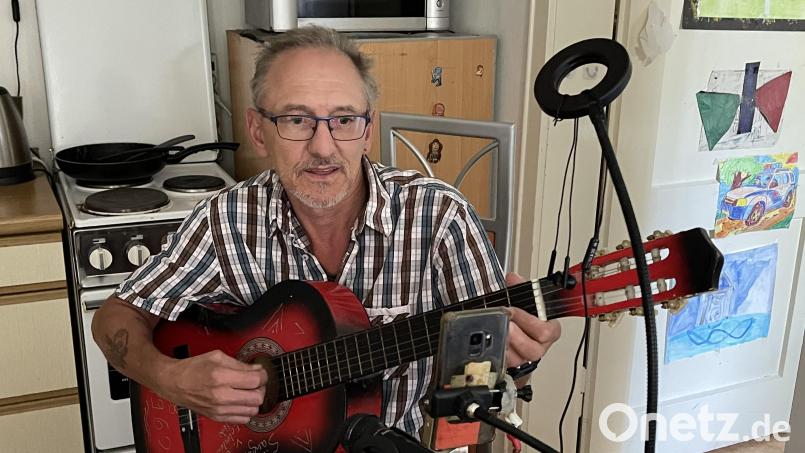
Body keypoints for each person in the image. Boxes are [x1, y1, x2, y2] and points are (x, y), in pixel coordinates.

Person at [92, 25, 560, 438]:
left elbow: (481, 388)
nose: (323, 147)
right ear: (258, 131)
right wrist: (171, 379)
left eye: (344, 120)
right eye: (296, 120)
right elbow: (114, 316)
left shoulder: (439, 216)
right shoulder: (224, 219)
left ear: (368, 129)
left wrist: (519, 361)